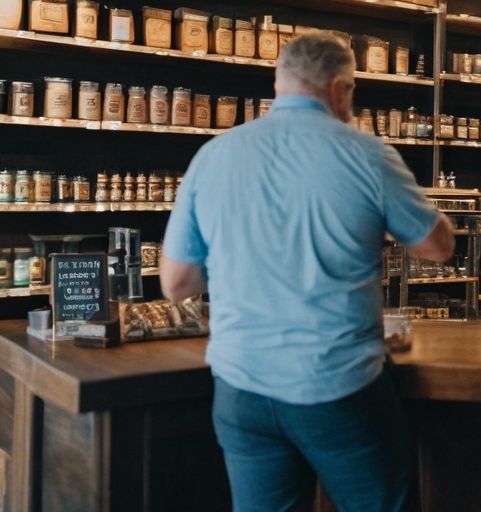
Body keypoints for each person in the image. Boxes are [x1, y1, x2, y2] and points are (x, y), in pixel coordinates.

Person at [161, 31, 454, 511]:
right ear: (341, 89)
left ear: (279, 85)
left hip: (242, 388)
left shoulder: (214, 154)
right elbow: (437, 247)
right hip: (338, 387)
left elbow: (177, 284)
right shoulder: (369, 155)